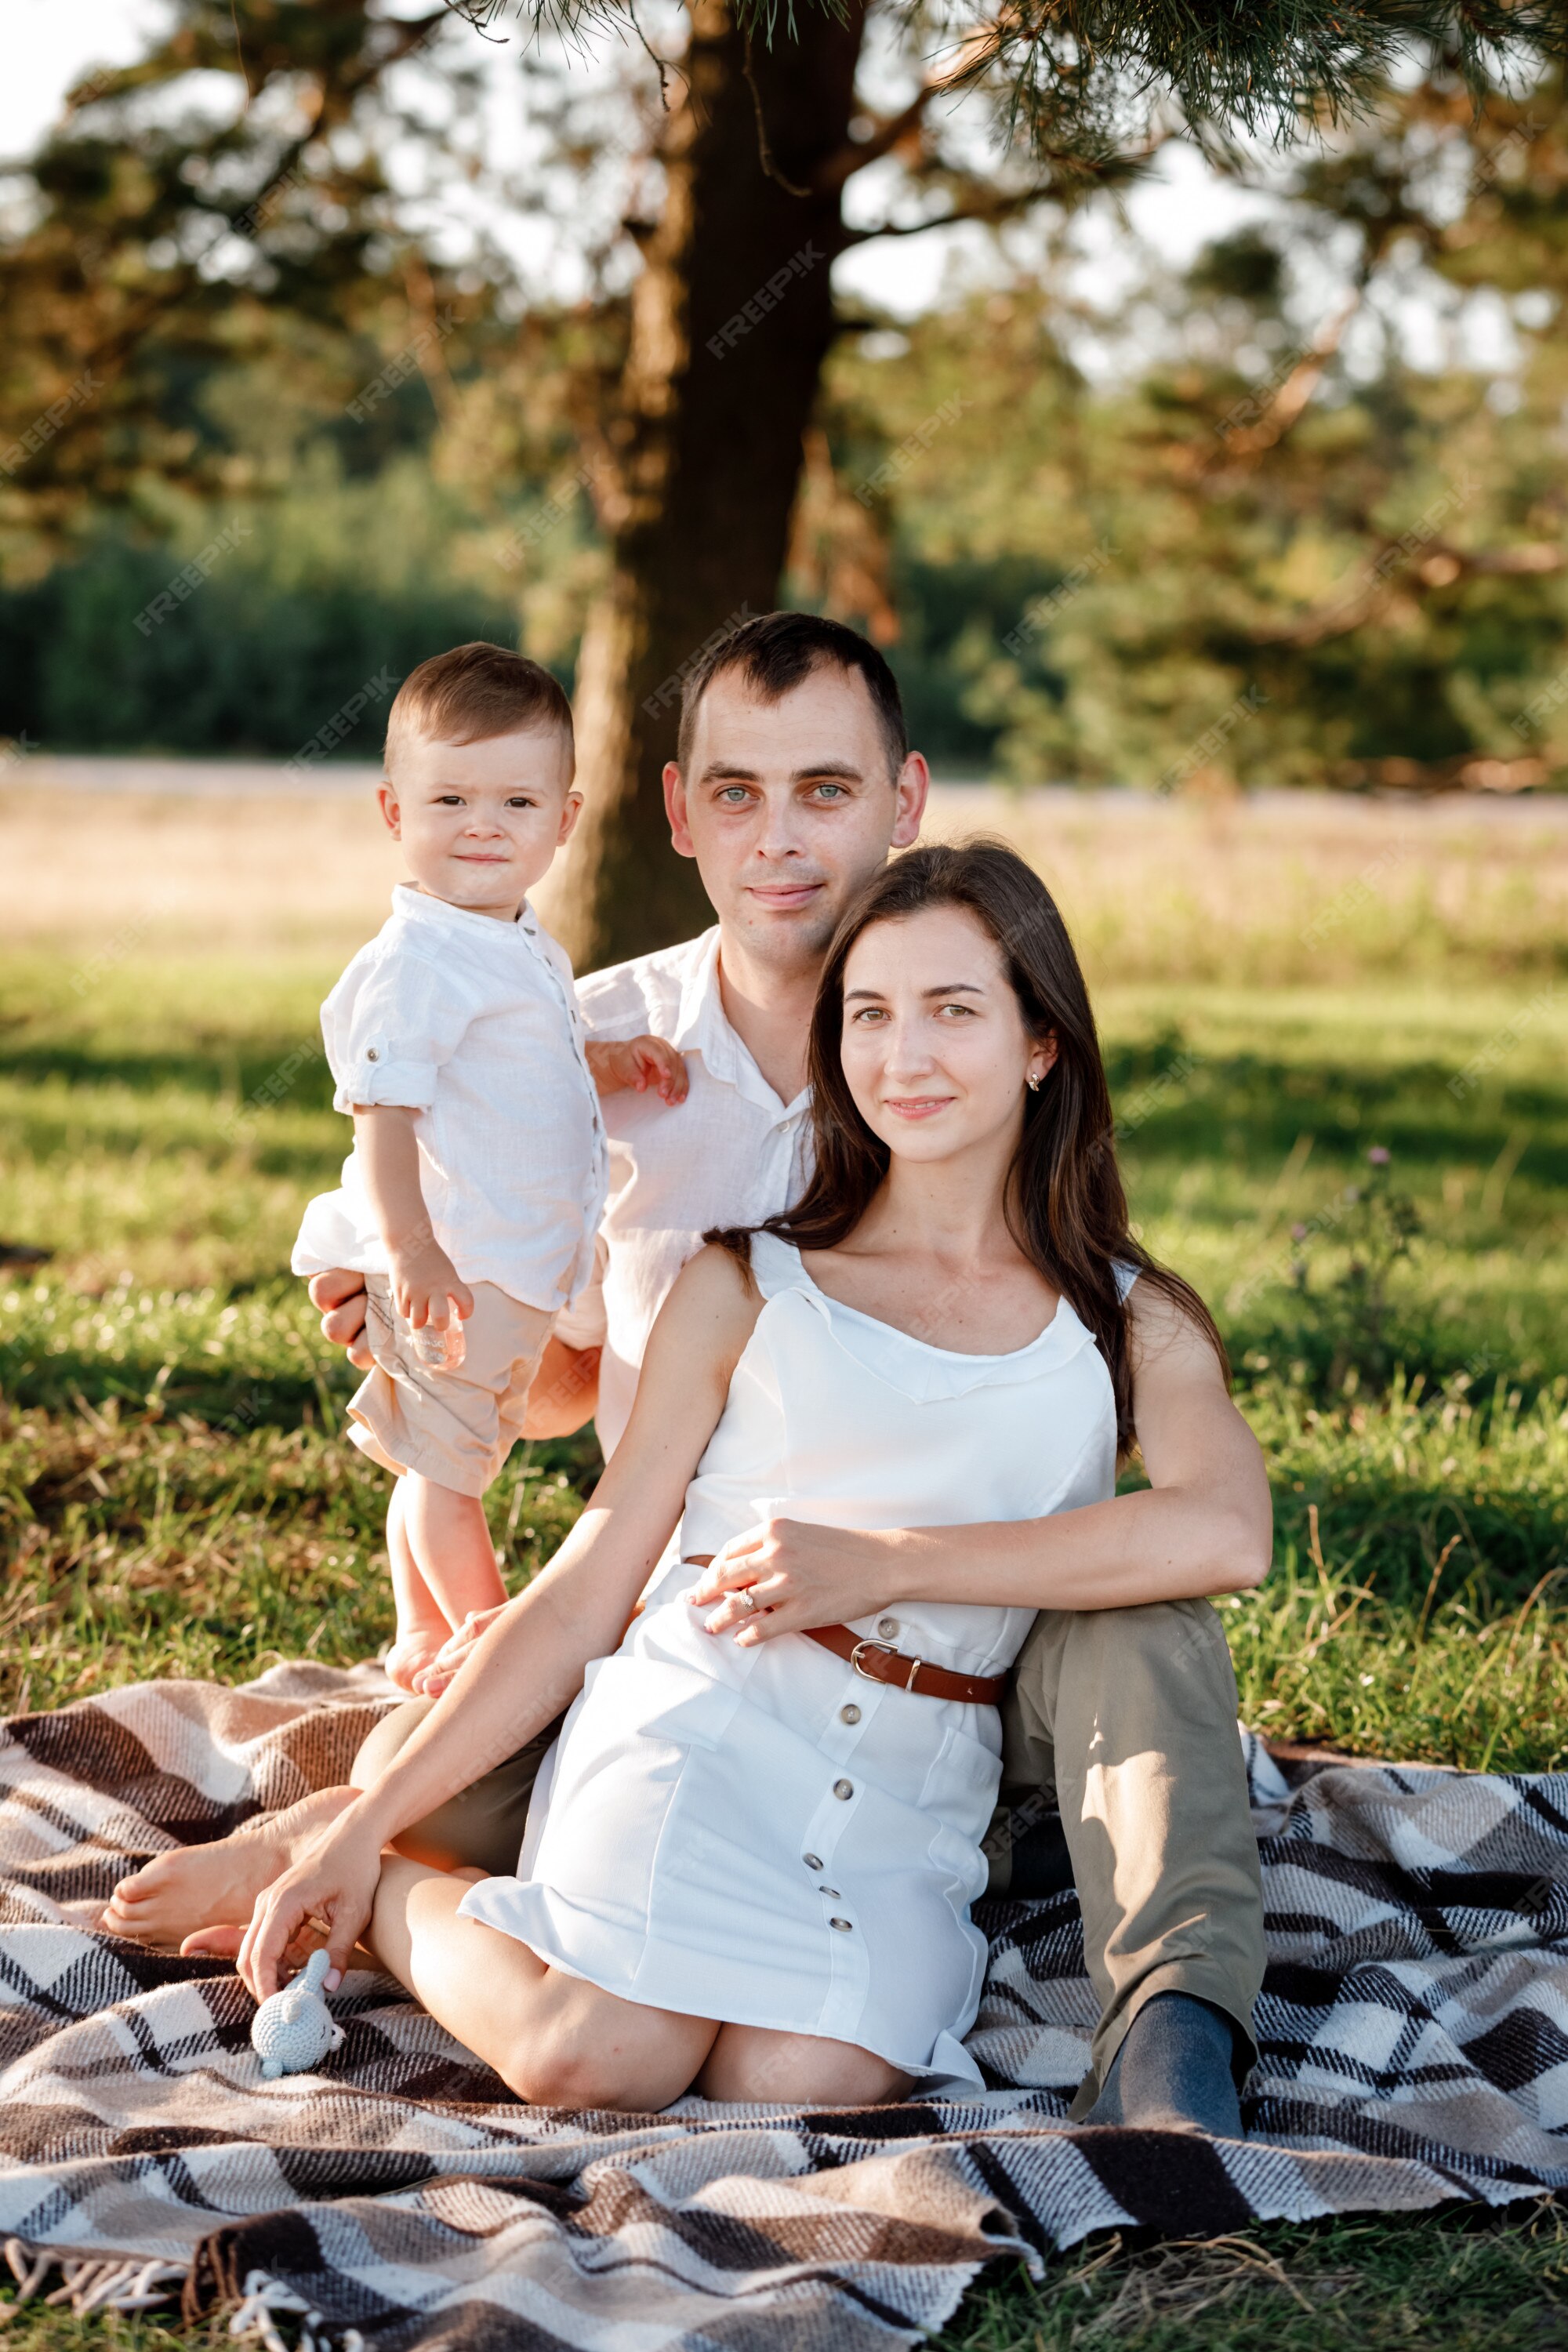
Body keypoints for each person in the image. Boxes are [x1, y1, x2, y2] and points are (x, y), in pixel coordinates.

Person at [106, 844, 1270, 2131]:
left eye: (954, 1010)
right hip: (702, 1713)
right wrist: (371, 1818)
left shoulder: (1131, 1316)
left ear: (1042, 1042)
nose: (904, 1056)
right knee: (596, 2054)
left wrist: (891, 1562)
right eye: (869, 1015)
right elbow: (594, 1575)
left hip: (916, 1775)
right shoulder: (749, 1281)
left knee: (810, 2083)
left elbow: (1225, 1529)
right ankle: (378, 1882)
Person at [290, 642, 685, 1690]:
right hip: (455, 1259)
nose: (482, 825)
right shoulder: (418, 961)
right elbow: (384, 1116)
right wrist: (413, 1253)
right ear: (394, 813)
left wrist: (605, 1061)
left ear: (565, 820)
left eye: (516, 801)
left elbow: (521, 1071)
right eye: (451, 797)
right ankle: (494, 1643)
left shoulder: (509, 937)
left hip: (503, 1260)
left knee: (447, 1448)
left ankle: (420, 1630)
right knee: (448, 1471)